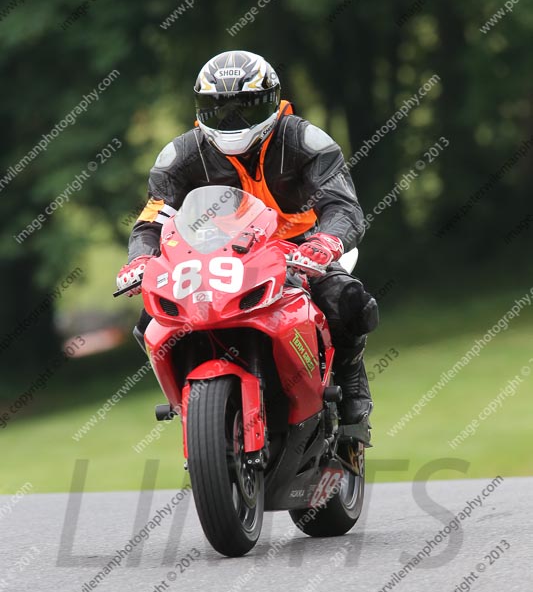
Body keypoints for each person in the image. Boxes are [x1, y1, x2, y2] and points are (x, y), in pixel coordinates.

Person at [117, 50, 378, 440]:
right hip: (213, 257)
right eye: (219, 110)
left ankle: (351, 381)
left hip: (299, 251)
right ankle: (190, 400)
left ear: (272, 102)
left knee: (349, 302)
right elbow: (153, 219)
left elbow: (343, 206)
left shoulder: (305, 140)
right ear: (200, 110)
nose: (232, 121)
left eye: (245, 109)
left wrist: (325, 243)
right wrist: (140, 258)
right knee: (150, 321)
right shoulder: (180, 156)